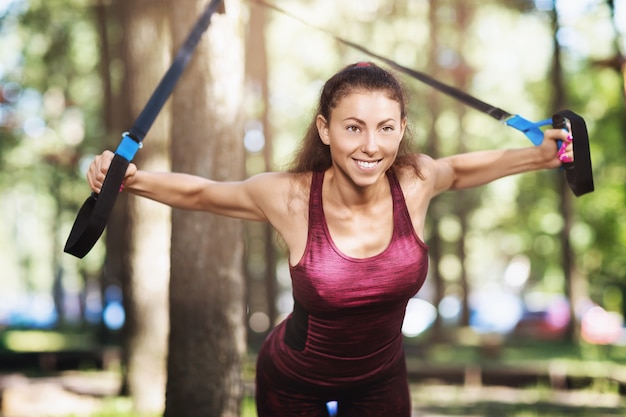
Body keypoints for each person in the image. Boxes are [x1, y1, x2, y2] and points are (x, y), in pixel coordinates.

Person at [87, 62, 573, 416]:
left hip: (381, 377)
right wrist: (130, 179)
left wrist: (540, 155)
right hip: (294, 381)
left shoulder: (415, 180)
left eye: (386, 128)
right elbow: (202, 193)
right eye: (353, 128)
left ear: (402, 129)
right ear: (325, 129)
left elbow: (461, 169)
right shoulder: (289, 197)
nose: (370, 145)